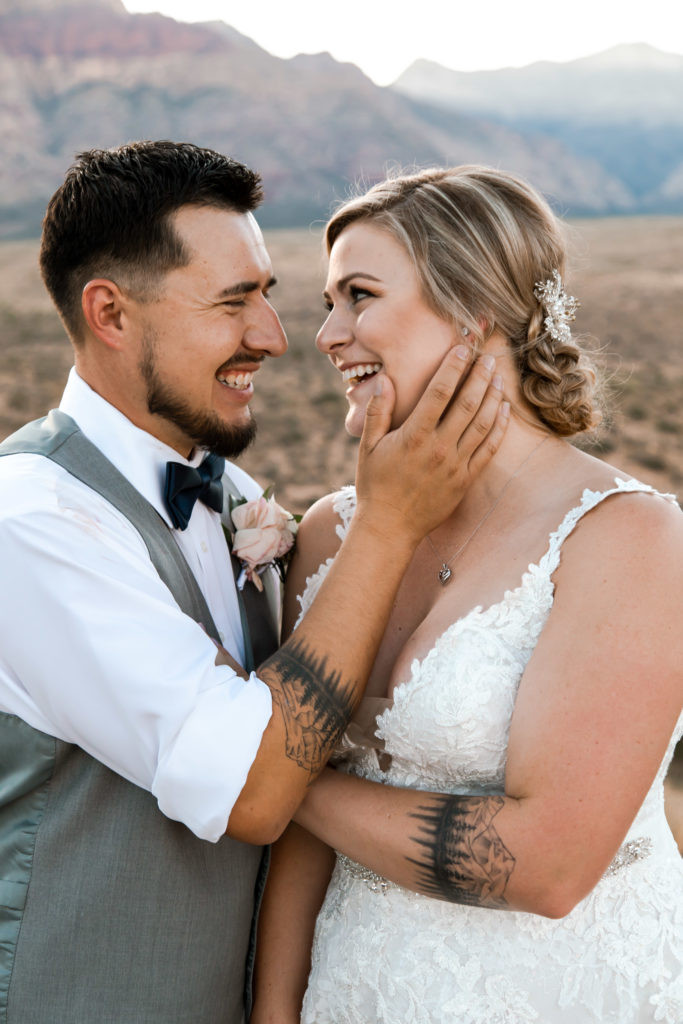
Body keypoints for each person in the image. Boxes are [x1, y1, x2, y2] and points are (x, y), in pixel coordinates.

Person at [0, 143, 509, 1023]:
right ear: (110, 313)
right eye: (234, 302)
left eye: (269, 294)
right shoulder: (33, 525)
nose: (273, 337)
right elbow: (253, 789)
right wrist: (387, 525)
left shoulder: (235, 499)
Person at [251, 166, 683, 1024]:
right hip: (355, 989)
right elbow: (299, 855)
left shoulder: (628, 540)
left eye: (358, 296)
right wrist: (274, 1012)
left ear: (472, 311)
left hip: (558, 993)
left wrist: (260, 775)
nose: (327, 333)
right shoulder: (334, 536)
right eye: (327, 301)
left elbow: (549, 869)